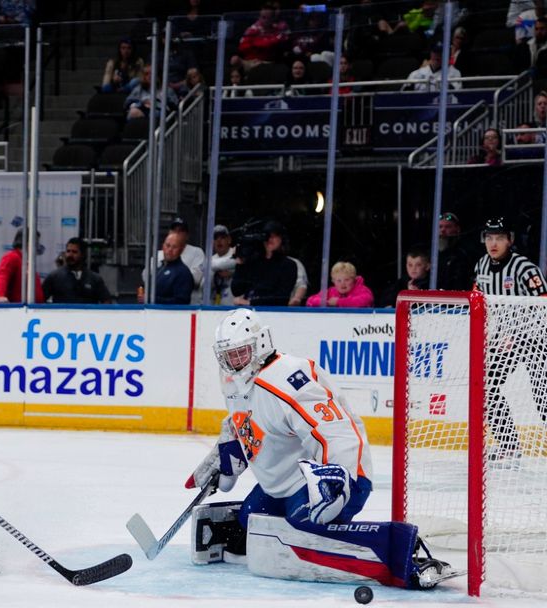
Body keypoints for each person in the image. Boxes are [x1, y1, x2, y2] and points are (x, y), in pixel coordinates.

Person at [187, 308, 456, 589]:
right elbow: (247, 420)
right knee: (248, 524)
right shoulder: (234, 381)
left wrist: (337, 476)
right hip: (283, 485)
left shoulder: (287, 377)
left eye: (240, 352)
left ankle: (398, 552)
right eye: (228, 355)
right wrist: (229, 451)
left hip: (338, 480)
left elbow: (335, 429)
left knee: (302, 533)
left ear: (261, 343)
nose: (233, 362)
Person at [472, 216, 547, 461]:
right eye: (489, 238)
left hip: (535, 338)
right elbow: (477, 300)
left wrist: (520, 331)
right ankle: (509, 445)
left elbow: (543, 302)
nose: (493, 243)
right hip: (504, 339)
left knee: (542, 396)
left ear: (510, 240)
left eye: (500, 238)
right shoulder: (481, 266)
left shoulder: (525, 268)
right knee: (485, 387)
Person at [231, 221, 301, 306]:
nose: (270, 239)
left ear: (281, 239)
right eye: (267, 236)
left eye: (274, 236)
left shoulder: (288, 265)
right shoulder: (254, 262)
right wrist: (240, 264)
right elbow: (237, 290)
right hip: (250, 314)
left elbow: (282, 298)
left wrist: (251, 303)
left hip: (273, 315)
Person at [42, 238, 112, 304]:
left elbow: (107, 301)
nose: (70, 255)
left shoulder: (95, 278)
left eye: (74, 252)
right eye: (68, 251)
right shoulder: (54, 277)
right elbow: (40, 300)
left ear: (83, 254)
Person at [0, 229, 45, 303]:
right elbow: (3, 276)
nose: (38, 247)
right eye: (36, 243)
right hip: (18, 310)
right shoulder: (12, 257)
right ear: (28, 243)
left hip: (31, 309)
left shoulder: (26, 262)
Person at [305, 261, 374, 308]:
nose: (342, 283)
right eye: (339, 280)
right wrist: (326, 302)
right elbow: (310, 301)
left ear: (354, 279)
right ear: (333, 281)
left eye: (347, 280)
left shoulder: (362, 290)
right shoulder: (331, 291)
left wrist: (339, 302)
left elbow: (364, 301)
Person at [154, 232, 194, 305]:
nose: (170, 249)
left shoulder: (183, 273)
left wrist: (152, 299)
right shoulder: (159, 269)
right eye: (168, 245)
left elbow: (181, 302)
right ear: (163, 246)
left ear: (181, 250)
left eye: (174, 247)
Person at [210, 224, 237, 304]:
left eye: (222, 237)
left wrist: (232, 273)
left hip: (234, 306)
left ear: (229, 240)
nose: (219, 241)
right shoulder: (210, 260)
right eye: (216, 238)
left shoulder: (236, 254)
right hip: (215, 305)